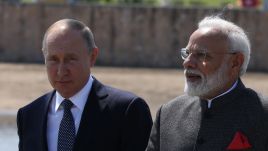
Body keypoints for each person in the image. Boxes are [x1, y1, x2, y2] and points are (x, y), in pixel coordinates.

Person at [17, 19, 152, 151]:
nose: (61, 71)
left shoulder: (127, 111)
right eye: (53, 59)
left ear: (92, 57)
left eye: (71, 59)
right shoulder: (29, 116)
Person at [146, 16, 268, 151]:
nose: (187, 62)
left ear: (235, 62)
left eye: (201, 55)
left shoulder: (263, 113)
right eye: (187, 53)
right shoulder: (168, 113)